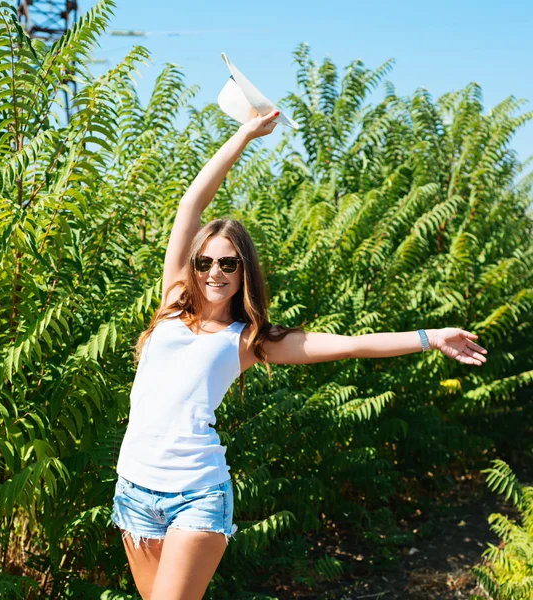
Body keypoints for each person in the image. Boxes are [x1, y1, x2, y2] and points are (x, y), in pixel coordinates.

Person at [111, 109, 488, 600]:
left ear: (244, 270)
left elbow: (350, 346)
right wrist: (244, 135)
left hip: (196, 494)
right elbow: (190, 205)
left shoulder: (250, 339)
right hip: (134, 489)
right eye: (206, 261)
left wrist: (428, 336)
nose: (215, 272)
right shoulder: (171, 302)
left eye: (229, 262)